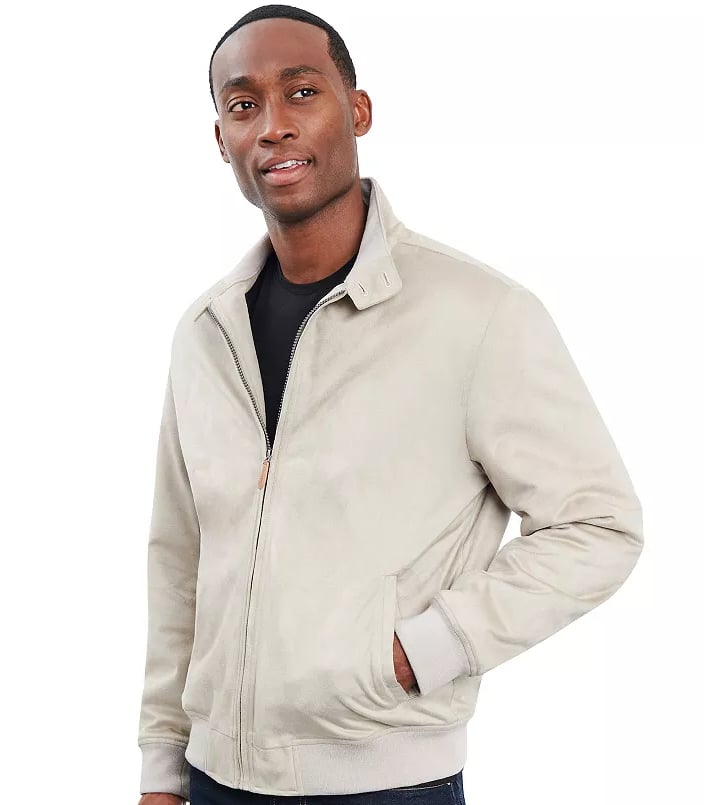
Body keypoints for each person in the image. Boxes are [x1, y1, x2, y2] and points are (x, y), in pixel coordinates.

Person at [136, 5, 644, 804]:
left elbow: (600, 524)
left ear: (358, 110)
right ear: (222, 139)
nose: (273, 125)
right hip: (213, 780)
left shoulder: (477, 315)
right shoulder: (205, 332)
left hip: (387, 783)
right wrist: (163, 765)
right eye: (243, 104)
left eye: (302, 92)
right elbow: (180, 559)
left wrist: (431, 646)